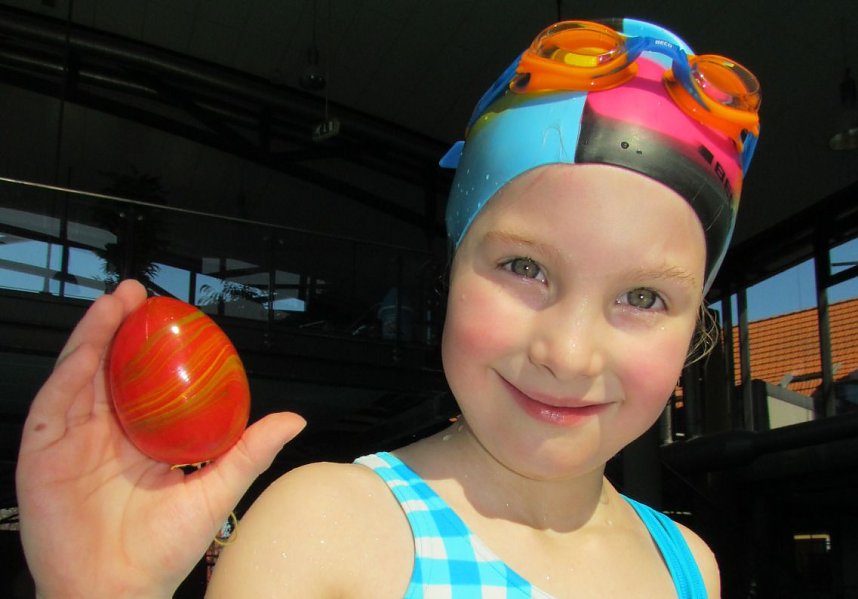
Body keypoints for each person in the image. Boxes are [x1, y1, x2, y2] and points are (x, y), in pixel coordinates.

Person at [16, 17, 760, 598]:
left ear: (697, 326)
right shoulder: (331, 527)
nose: (569, 352)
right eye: (525, 266)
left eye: (642, 296)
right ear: (450, 272)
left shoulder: (690, 566)